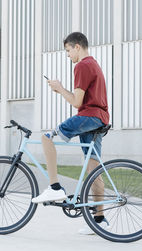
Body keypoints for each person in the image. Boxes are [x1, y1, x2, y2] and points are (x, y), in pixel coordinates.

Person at [31, 32, 110, 232]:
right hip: (99, 118)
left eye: (68, 50)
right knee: (94, 170)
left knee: (46, 137)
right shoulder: (94, 64)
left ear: (77, 47)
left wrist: (59, 88)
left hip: (90, 116)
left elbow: (77, 102)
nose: (68, 56)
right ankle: (99, 221)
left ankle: (55, 188)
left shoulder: (82, 65)